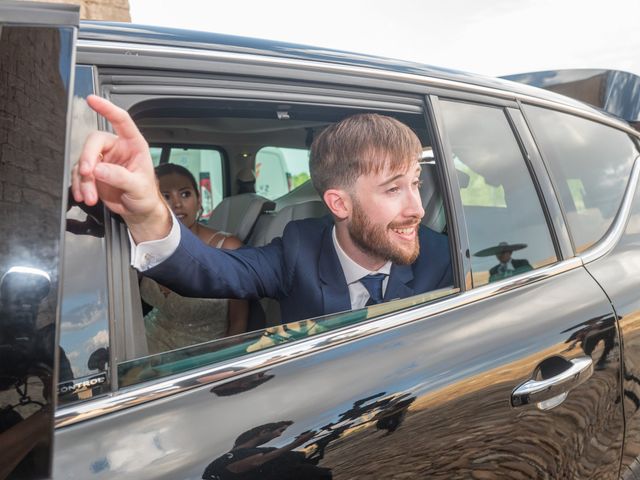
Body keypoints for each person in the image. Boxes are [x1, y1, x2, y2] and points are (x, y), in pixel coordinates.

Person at [72, 95, 452, 325]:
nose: (417, 208)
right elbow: (209, 271)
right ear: (339, 203)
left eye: (416, 184)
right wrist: (145, 213)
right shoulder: (297, 250)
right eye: (393, 189)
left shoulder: (440, 257)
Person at [140, 164, 248, 352]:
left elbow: (239, 324)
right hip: (146, 341)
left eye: (185, 194)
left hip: (200, 360)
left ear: (199, 201)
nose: (177, 203)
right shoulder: (145, 245)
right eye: (165, 196)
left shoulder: (228, 249)